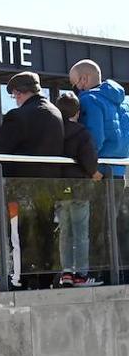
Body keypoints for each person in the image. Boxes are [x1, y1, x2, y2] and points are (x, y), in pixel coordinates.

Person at [0, 71, 64, 290]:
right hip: (50, 190)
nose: (15, 100)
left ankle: (20, 280)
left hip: (21, 190)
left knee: (19, 238)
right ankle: (46, 279)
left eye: (14, 95)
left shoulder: (19, 116)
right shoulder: (55, 113)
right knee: (46, 235)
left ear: (20, 93)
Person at [55, 91, 101, 287]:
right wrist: (95, 174)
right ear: (78, 112)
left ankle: (66, 273)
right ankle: (81, 275)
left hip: (58, 189)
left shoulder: (54, 132)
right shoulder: (82, 132)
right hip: (80, 189)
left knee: (65, 232)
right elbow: (89, 160)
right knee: (81, 233)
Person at [70, 59, 129, 178]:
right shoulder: (123, 103)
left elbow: (93, 139)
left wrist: (90, 168)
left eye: (73, 84)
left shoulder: (89, 100)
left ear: (84, 79)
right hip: (120, 169)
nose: (74, 89)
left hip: (98, 171)